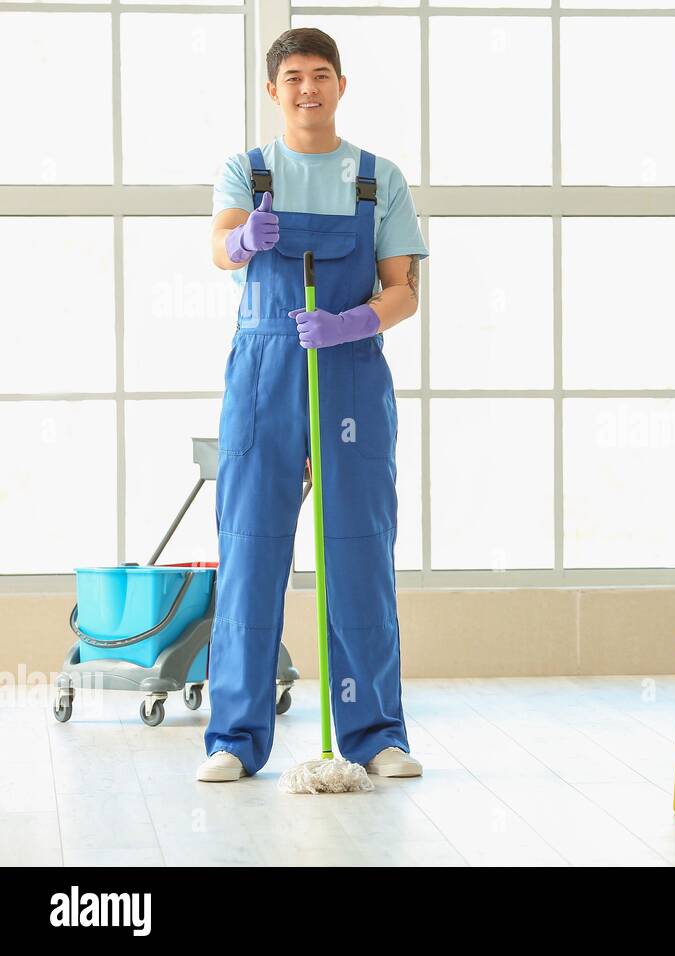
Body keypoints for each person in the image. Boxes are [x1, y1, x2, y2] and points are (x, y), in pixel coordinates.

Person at [197, 27, 426, 782]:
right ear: (273, 91)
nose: (307, 88)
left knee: (358, 550)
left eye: (320, 74)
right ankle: (234, 739)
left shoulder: (376, 178)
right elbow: (220, 246)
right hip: (265, 370)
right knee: (252, 551)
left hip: (350, 369)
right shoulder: (247, 170)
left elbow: (402, 290)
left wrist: (353, 322)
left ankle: (377, 735)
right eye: (292, 76)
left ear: (340, 84)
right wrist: (242, 243)